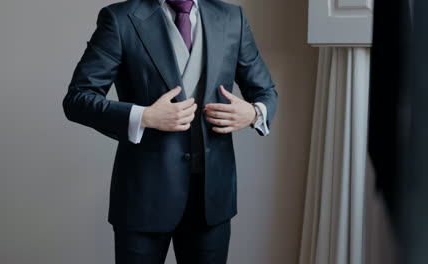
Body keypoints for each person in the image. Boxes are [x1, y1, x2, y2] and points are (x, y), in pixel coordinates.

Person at [62, 0, 278, 263]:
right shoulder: (120, 18)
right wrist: (144, 116)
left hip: (211, 200)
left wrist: (254, 113)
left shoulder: (232, 17)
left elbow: (265, 92)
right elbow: (77, 99)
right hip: (143, 198)